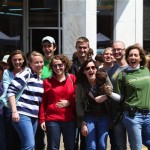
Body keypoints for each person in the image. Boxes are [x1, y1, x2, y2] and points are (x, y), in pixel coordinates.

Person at [7, 51, 44, 150]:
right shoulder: (26, 73)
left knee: (28, 145)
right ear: (30, 64)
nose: (39, 64)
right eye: (36, 62)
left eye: (41, 62)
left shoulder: (40, 79)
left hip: (34, 116)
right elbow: (10, 91)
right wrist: (14, 111)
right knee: (29, 145)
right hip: (22, 114)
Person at [116, 44, 150, 150]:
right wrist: (109, 94)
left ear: (140, 57)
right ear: (127, 58)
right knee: (137, 147)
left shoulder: (146, 70)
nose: (133, 57)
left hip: (148, 115)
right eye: (130, 55)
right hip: (132, 117)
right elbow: (119, 97)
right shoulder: (122, 74)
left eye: (136, 55)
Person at [39, 54, 76, 150]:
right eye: (54, 66)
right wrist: (42, 119)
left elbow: (77, 97)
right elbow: (43, 101)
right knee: (53, 147)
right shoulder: (47, 81)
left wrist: (69, 102)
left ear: (65, 65)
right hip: (52, 119)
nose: (57, 68)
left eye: (60, 65)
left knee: (70, 147)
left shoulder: (72, 79)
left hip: (69, 119)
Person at [75, 59, 110, 150]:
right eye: (87, 68)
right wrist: (82, 123)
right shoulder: (80, 85)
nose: (91, 70)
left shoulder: (103, 79)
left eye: (93, 67)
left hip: (103, 116)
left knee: (102, 145)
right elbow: (78, 104)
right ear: (84, 71)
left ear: (96, 69)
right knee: (91, 146)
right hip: (89, 117)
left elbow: (111, 90)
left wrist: (105, 96)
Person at [0, 50, 27, 150]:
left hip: (25, 108)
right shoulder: (7, 72)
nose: (17, 62)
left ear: (24, 60)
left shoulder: (27, 71)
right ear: (11, 61)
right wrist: (14, 107)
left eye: (19, 59)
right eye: (14, 60)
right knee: (10, 138)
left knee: (24, 138)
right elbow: (8, 90)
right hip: (10, 108)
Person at [35, 36, 57, 150]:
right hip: (37, 103)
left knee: (52, 139)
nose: (47, 48)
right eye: (44, 46)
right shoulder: (39, 63)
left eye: (49, 46)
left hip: (51, 105)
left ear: (54, 47)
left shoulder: (58, 64)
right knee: (38, 137)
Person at [107, 41, 128, 150]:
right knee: (120, 146)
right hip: (117, 114)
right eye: (114, 50)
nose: (116, 52)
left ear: (124, 50)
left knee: (138, 143)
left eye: (119, 49)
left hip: (132, 112)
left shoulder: (132, 67)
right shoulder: (110, 70)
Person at [70, 37, 90, 150]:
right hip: (73, 105)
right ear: (76, 48)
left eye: (84, 47)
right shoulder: (70, 65)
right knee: (73, 139)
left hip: (88, 106)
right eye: (80, 47)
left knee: (86, 139)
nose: (82, 50)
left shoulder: (92, 65)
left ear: (88, 48)